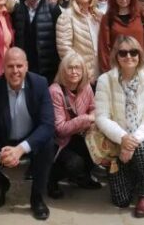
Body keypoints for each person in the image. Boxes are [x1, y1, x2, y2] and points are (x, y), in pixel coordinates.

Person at [0, 48, 56, 221]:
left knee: (47, 144)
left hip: (29, 139)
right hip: (3, 141)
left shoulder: (40, 84)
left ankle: (37, 198)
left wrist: (20, 149)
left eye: (19, 65)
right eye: (10, 66)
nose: (15, 71)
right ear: (3, 67)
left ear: (26, 66)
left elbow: (47, 125)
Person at [95, 36, 144, 218]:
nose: (128, 57)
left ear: (140, 56)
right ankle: (139, 176)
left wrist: (132, 141)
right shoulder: (104, 80)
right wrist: (123, 138)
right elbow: (101, 117)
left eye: (133, 52)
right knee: (121, 200)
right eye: (123, 53)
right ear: (116, 56)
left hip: (141, 137)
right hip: (115, 140)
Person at [48, 52, 102, 198]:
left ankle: (81, 178)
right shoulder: (55, 91)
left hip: (80, 136)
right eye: (70, 68)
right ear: (63, 70)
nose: (74, 72)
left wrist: (91, 118)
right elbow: (60, 129)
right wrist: (87, 119)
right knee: (74, 163)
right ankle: (50, 180)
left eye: (78, 68)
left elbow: (94, 108)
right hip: (60, 143)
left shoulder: (86, 87)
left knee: (98, 150)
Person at [12, 0, 62, 83]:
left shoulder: (53, 9)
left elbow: (60, 40)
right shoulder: (16, 10)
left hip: (48, 70)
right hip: (23, 70)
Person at [98, 0, 144, 73]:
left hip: (140, 70)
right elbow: (104, 49)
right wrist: (109, 72)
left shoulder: (142, 16)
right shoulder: (108, 18)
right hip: (117, 70)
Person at [55, 0, 101, 85]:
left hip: (101, 73)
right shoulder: (66, 16)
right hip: (80, 77)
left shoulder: (99, 15)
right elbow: (64, 49)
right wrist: (82, 71)